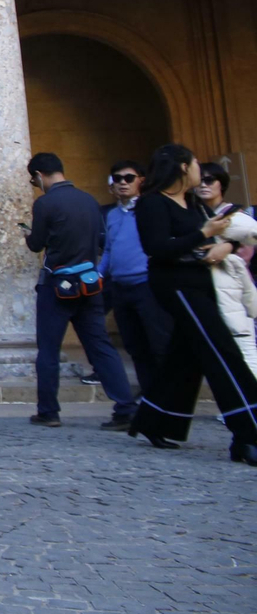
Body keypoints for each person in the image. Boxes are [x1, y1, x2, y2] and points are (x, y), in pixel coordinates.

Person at [129, 144, 257, 465]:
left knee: (185, 354)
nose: (201, 169)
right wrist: (204, 233)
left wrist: (226, 245)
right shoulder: (152, 203)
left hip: (202, 280)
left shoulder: (193, 202)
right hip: (176, 284)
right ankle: (249, 433)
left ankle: (156, 420)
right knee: (222, 350)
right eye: (197, 164)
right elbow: (157, 248)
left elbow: (220, 235)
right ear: (183, 167)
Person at [22, 152, 137, 430]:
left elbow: (36, 244)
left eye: (33, 180)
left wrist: (28, 234)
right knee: (101, 346)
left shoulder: (45, 203)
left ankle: (49, 411)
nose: (35, 185)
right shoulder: (89, 200)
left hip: (56, 285)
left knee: (48, 350)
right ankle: (125, 408)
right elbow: (100, 240)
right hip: (89, 283)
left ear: (38, 175)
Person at [98, 160, 175, 394]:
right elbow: (109, 249)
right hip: (120, 287)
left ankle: (168, 395)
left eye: (128, 178)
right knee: (135, 345)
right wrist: (98, 275)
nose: (122, 182)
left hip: (147, 284)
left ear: (141, 180)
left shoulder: (150, 208)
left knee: (159, 342)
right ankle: (149, 393)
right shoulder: (112, 215)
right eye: (117, 178)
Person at [193, 162, 257, 375]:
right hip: (201, 288)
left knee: (245, 350)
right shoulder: (192, 214)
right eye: (200, 180)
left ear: (221, 184)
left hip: (232, 288)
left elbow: (252, 238)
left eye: (209, 180)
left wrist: (229, 246)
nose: (203, 185)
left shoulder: (235, 215)